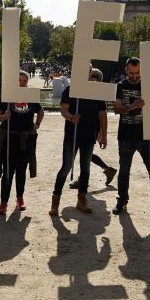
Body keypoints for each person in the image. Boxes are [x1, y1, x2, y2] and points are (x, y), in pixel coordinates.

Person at [112, 57, 150, 215]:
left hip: (146, 135)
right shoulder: (120, 86)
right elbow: (116, 109)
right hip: (126, 135)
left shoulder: (148, 86)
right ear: (126, 70)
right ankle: (122, 201)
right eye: (131, 73)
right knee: (124, 171)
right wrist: (133, 105)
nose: (134, 75)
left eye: (137, 72)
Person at [49, 67, 108, 216]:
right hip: (72, 135)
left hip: (89, 135)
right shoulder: (70, 90)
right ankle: (55, 200)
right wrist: (70, 117)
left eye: (87, 71)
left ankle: (82, 199)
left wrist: (104, 134)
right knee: (66, 167)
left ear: (90, 72)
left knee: (85, 168)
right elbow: (63, 109)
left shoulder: (97, 91)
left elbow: (102, 114)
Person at [0, 70, 44, 215]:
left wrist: (37, 124)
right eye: (18, 80)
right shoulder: (6, 96)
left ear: (26, 83)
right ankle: (3, 203)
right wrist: (4, 116)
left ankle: (20, 199)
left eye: (23, 81)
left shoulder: (31, 96)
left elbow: (40, 112)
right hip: (9, 138)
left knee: (21, 171)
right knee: (8, 171)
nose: (21, 83)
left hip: (26, 139)